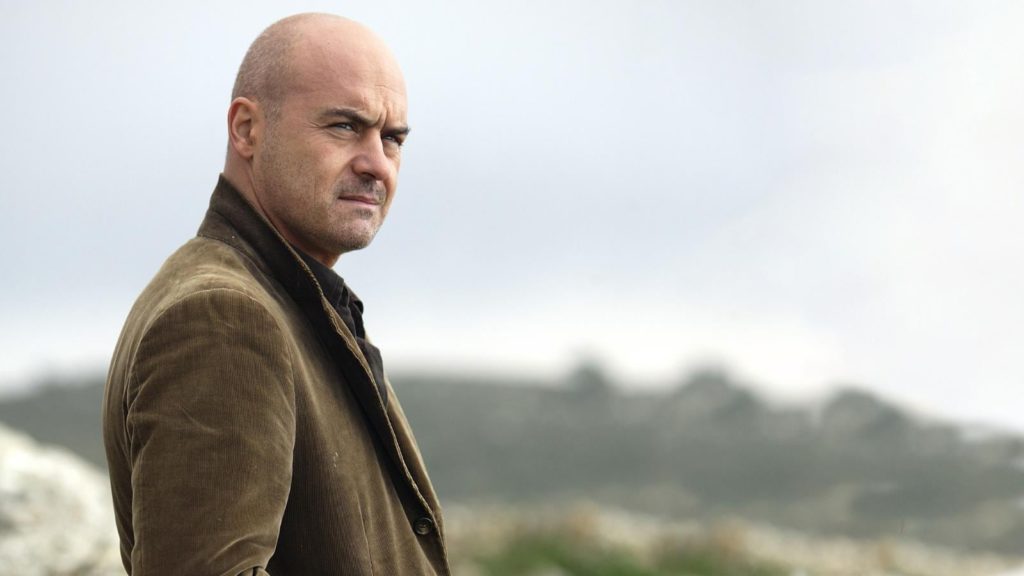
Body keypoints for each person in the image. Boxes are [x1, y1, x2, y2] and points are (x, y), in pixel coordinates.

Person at [102, 13, 449, 575]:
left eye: (392, 138)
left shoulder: (286, 301)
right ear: (246, 129)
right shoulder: (223, 317)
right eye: (344, 126)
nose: (376, 164)